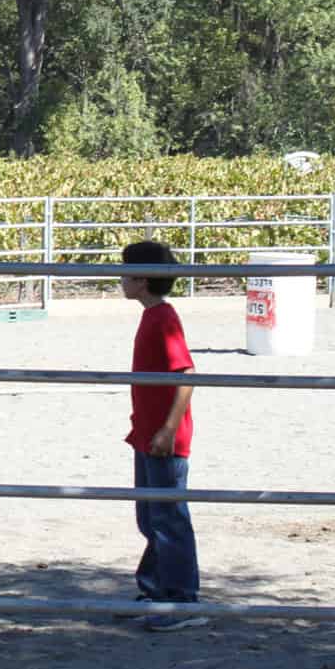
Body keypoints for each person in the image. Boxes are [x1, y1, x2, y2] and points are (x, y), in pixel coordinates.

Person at [120, 240, 207, 632]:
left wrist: (169, 428)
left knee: (169, 516)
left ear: (141, 278)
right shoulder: (151, 316)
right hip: (147, 433)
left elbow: (185, 375)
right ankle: (158, 588)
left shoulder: (164, 319)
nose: (119, 278)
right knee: (150, 516)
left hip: (163, 437)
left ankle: (182, 597)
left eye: (125, 271)